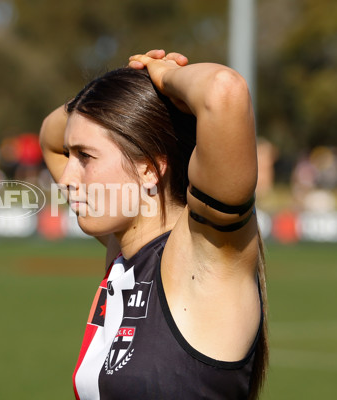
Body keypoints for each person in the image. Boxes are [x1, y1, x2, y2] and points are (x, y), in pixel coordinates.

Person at [39, 50, 268, 400]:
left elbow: (224, 90)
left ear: (148, 168)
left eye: (85, 156)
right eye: (71, 156)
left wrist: (162, 77)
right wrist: (124, 87)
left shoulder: (203, 255)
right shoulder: (125, 250)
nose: (68, 177)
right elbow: (49, 137)